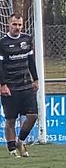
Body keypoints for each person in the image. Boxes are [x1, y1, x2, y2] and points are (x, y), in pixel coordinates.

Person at [0, 14, 39, 157]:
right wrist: (2, 85)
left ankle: (20, 141)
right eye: (14, 24)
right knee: (11, 119)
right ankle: (12, 149)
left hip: (26, 85)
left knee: (33, 115)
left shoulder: (27, 39)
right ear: (8, 25)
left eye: (19, 25)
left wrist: (36, 79)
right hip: (10, 86)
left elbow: (30, 60)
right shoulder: (2, 43)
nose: (17, 27)